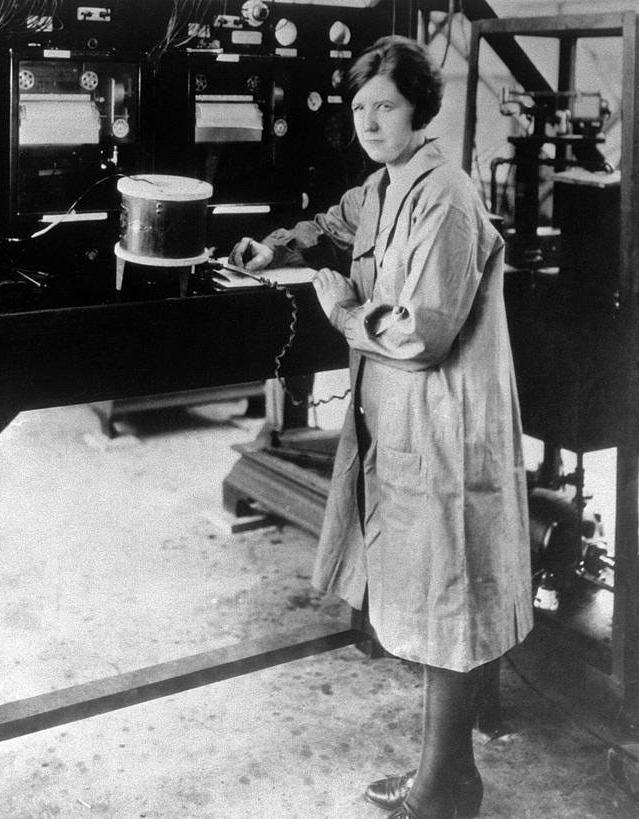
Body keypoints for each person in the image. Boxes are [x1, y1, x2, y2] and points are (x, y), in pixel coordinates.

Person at [230, 35, 532, 819]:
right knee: (434, 595)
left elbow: (422, 331)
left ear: (417, 110)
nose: (369, 120)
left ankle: (446, 787)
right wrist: (280, 242)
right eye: (359, 107)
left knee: (446, 600)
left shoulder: (445, 195)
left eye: (385, 106)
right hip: (405, 419)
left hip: (445, 417)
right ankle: (444, 773)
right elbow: (334, 222)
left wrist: (340, 310)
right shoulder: (387, 184)